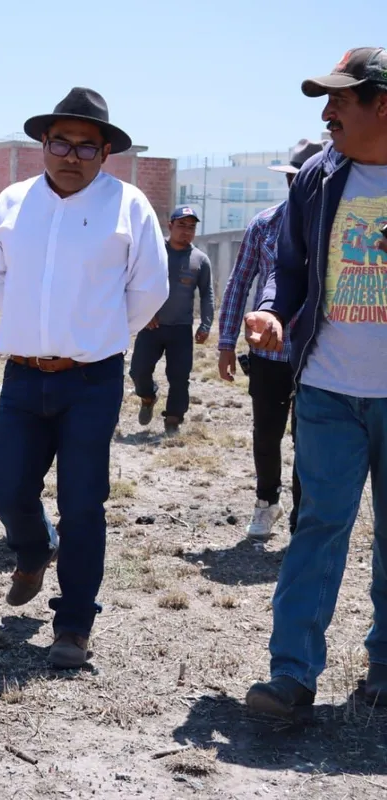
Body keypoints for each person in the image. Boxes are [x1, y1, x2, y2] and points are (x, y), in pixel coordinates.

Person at [0, 88, 168, 668]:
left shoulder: (130, 206)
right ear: (43, 145)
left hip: (92, 380)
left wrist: (95, 336)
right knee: (6, 486)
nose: (71, 155)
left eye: (87, 146)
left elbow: (149, 290)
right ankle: (34, 551)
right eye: (61, 142)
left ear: (105, 152)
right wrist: (36, 332)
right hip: (23, 374)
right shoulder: (13, 201)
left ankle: (75, 624)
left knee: (83, 502)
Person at [244, 47, 387, 719]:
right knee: (317, 528)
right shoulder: (317, 179)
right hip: (328, 389)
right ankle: (292, 675)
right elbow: (290, 268)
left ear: (381, 104)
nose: (326, 113)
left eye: (340, 99)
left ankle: (383, 668)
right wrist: (272, 311)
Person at [217, 139, 322, 540]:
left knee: (308, 437)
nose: (302, 185)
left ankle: (301, 515)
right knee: (267, 432)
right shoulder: (264, 224)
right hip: (268, 354)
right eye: (296, 178)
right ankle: (266, 502)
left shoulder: (333, 231)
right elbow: (239, 282)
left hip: (317, 354)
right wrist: (227, 342)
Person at [129, 205, 214, 434]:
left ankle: (173, 420)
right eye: (181, 225)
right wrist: (143, 313)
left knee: (179, 378)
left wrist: (206, 324)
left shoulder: (200, 260)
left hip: (181, 329)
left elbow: (207, 294)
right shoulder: (154, 252)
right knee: (138, 371)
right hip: (151, 326)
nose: (186, 231)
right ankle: (148, 397)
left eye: (191, 227)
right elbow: (136, 283)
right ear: (170, 226)